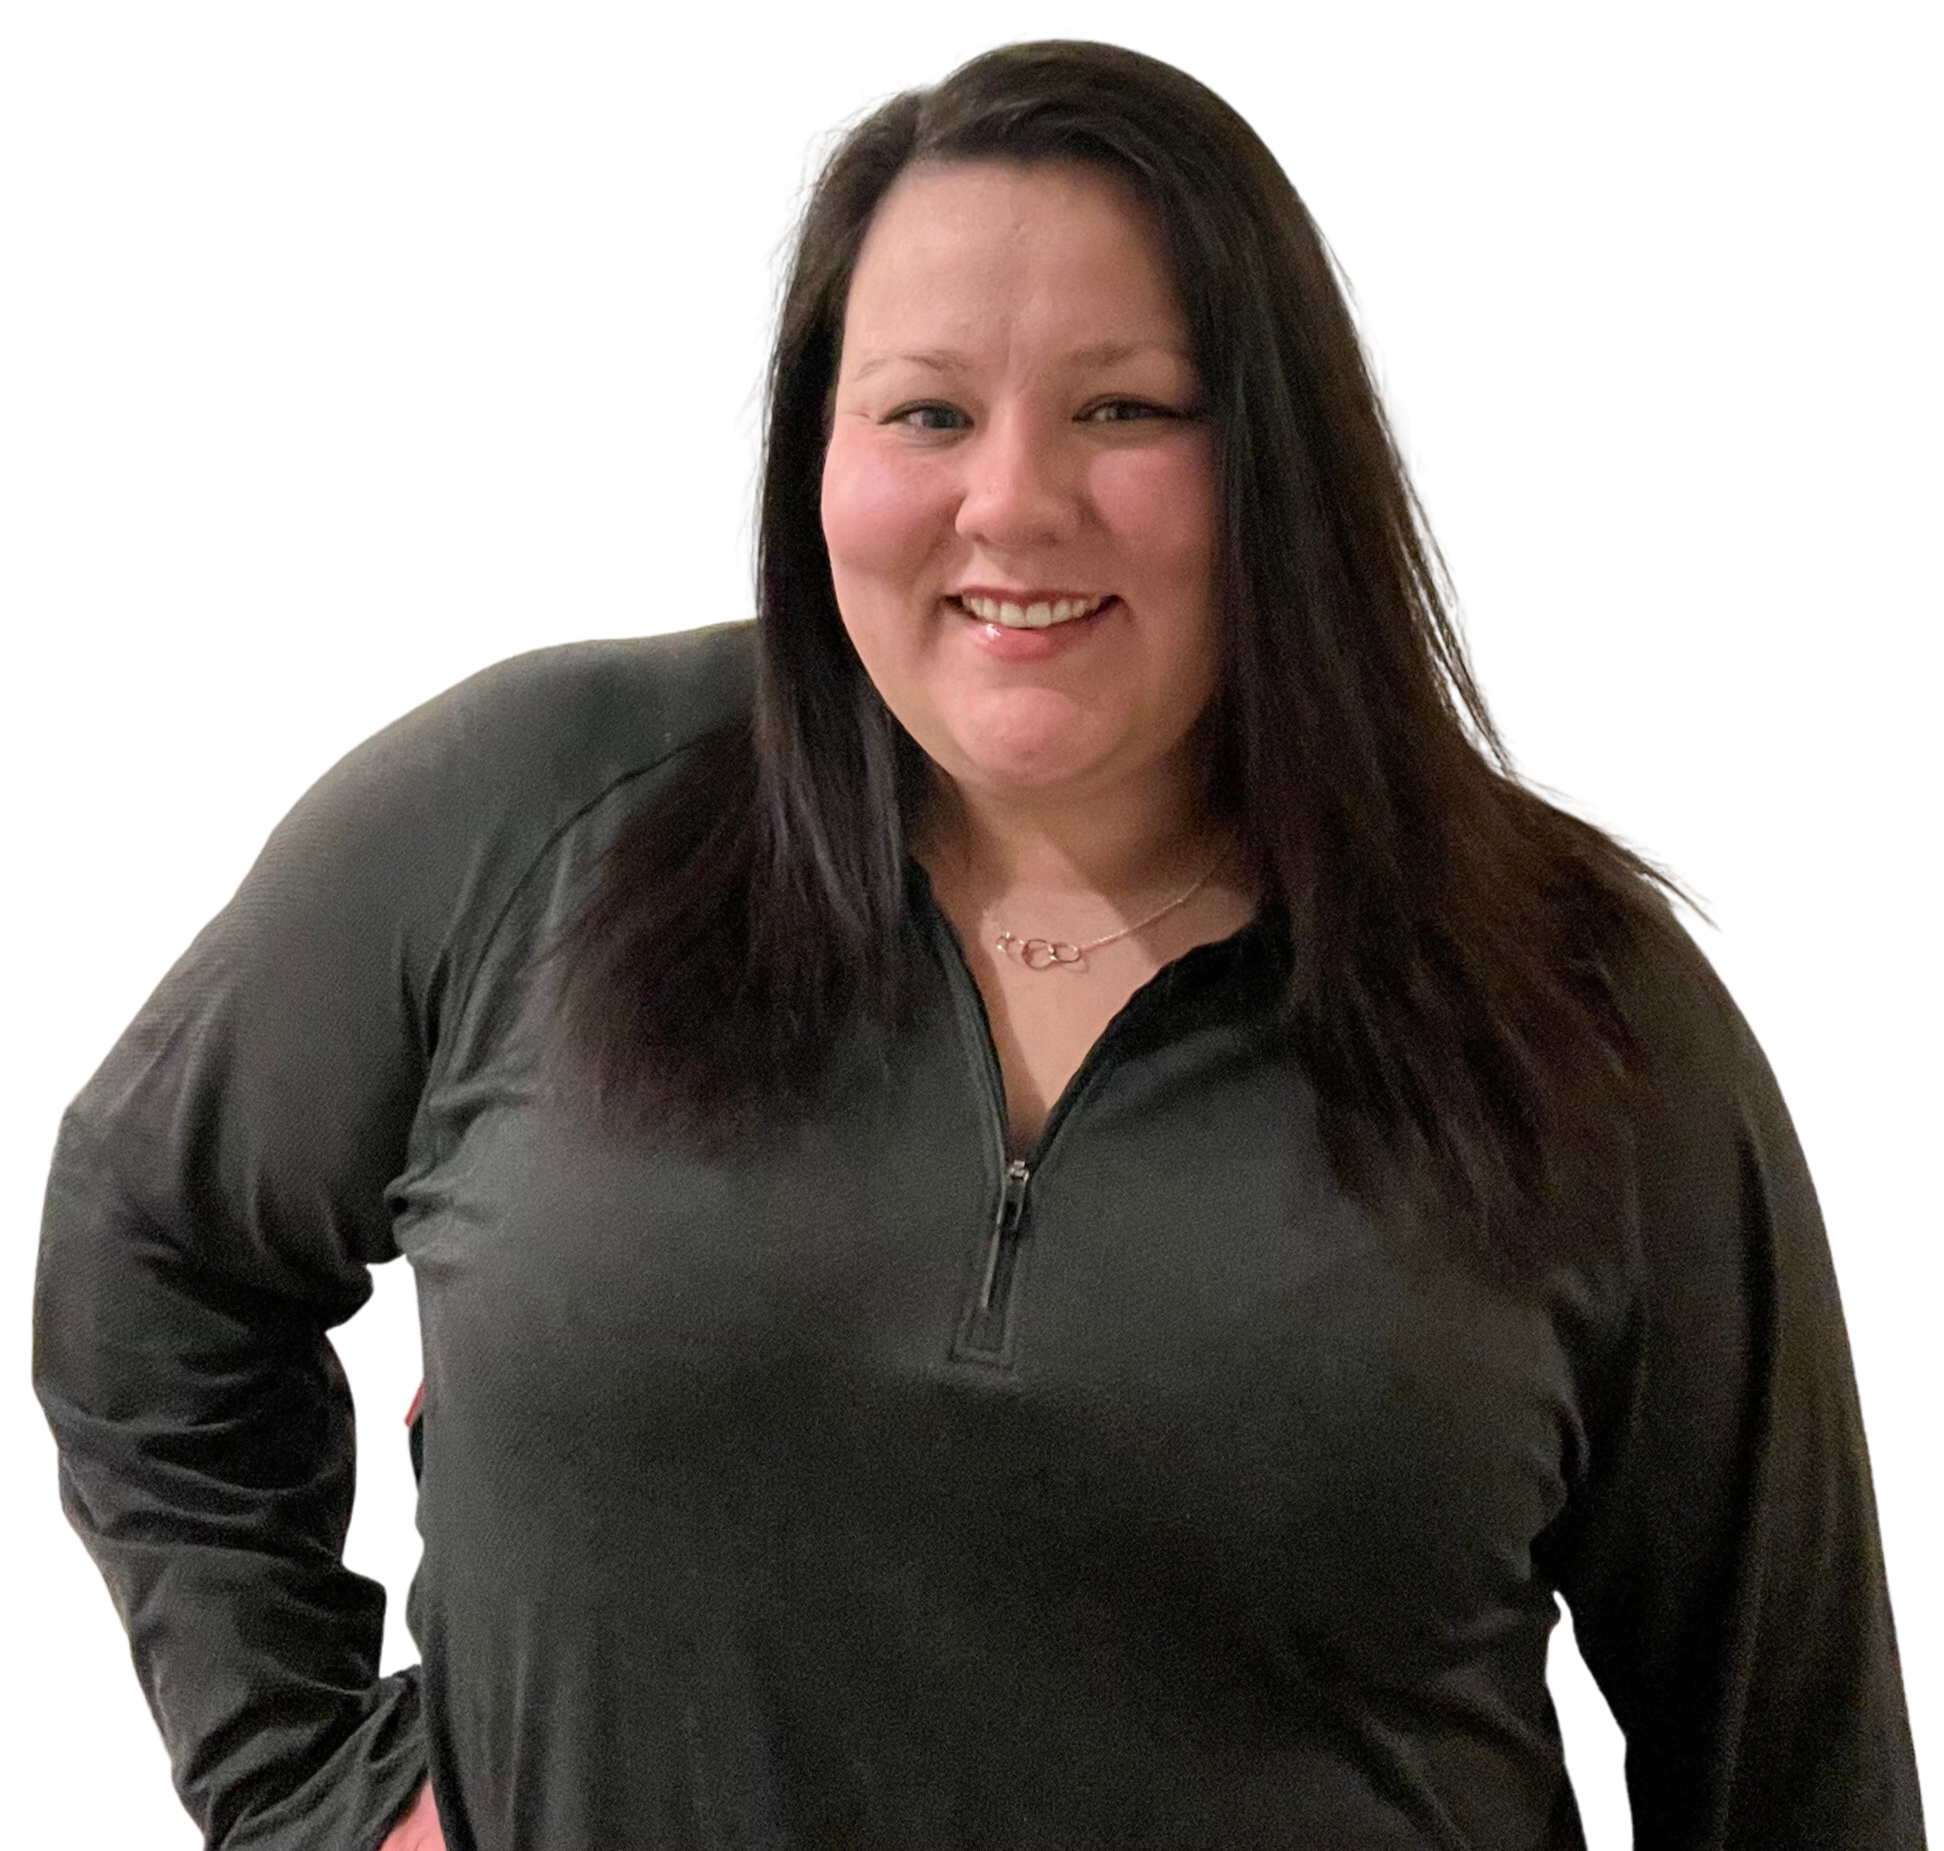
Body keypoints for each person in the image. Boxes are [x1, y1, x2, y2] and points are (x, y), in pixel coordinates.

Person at [30, 30, 1926, 1851]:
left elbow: (1795, 1760)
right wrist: (305, 1784)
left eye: (1126, 409)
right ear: (809, 458)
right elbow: (138, 1246)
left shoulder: (1576, 1005)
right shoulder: (524, 817)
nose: (1011, 502)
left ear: (1282, 459)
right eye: (925, 410)